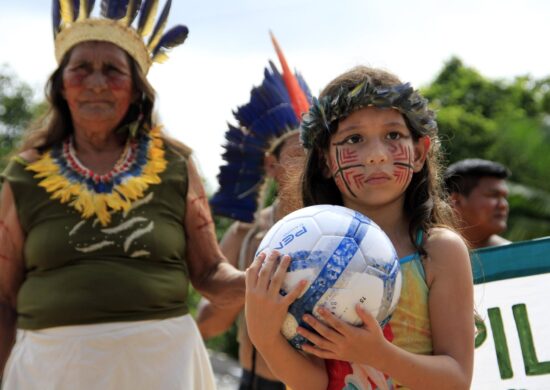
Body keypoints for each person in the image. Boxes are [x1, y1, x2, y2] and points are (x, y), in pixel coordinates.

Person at [0, 2, 244, 389]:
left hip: (164, 368)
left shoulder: (177, 165)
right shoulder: (25, 176)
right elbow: (3, 299)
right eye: (81, 69)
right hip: (50, 372)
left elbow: (211, 271)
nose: (96, 83)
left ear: (135, 90)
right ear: (62, 84)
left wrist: (262, 281)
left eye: (113, 70)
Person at [245, 66, 475, 389]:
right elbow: (313, 383)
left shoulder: (439, 251)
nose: (376, 156)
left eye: (393, 135)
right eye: (354, 139)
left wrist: (380, 354)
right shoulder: (301, 255)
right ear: (325, 160)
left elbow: (457, 379)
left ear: (420, 153)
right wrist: (264, 335)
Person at [197, 34, 311, 390]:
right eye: (298, 154)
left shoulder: (349, 227)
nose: (311, 165)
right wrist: (243, 290)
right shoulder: (247, 234)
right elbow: (207, 325)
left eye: (318, 153)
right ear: (271, 165)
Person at [444, 158, 511, 249]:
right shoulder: (424, 251)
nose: (503, 205)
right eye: (493, 195)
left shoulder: (517, 257)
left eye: (504, 197)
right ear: (456, 200)